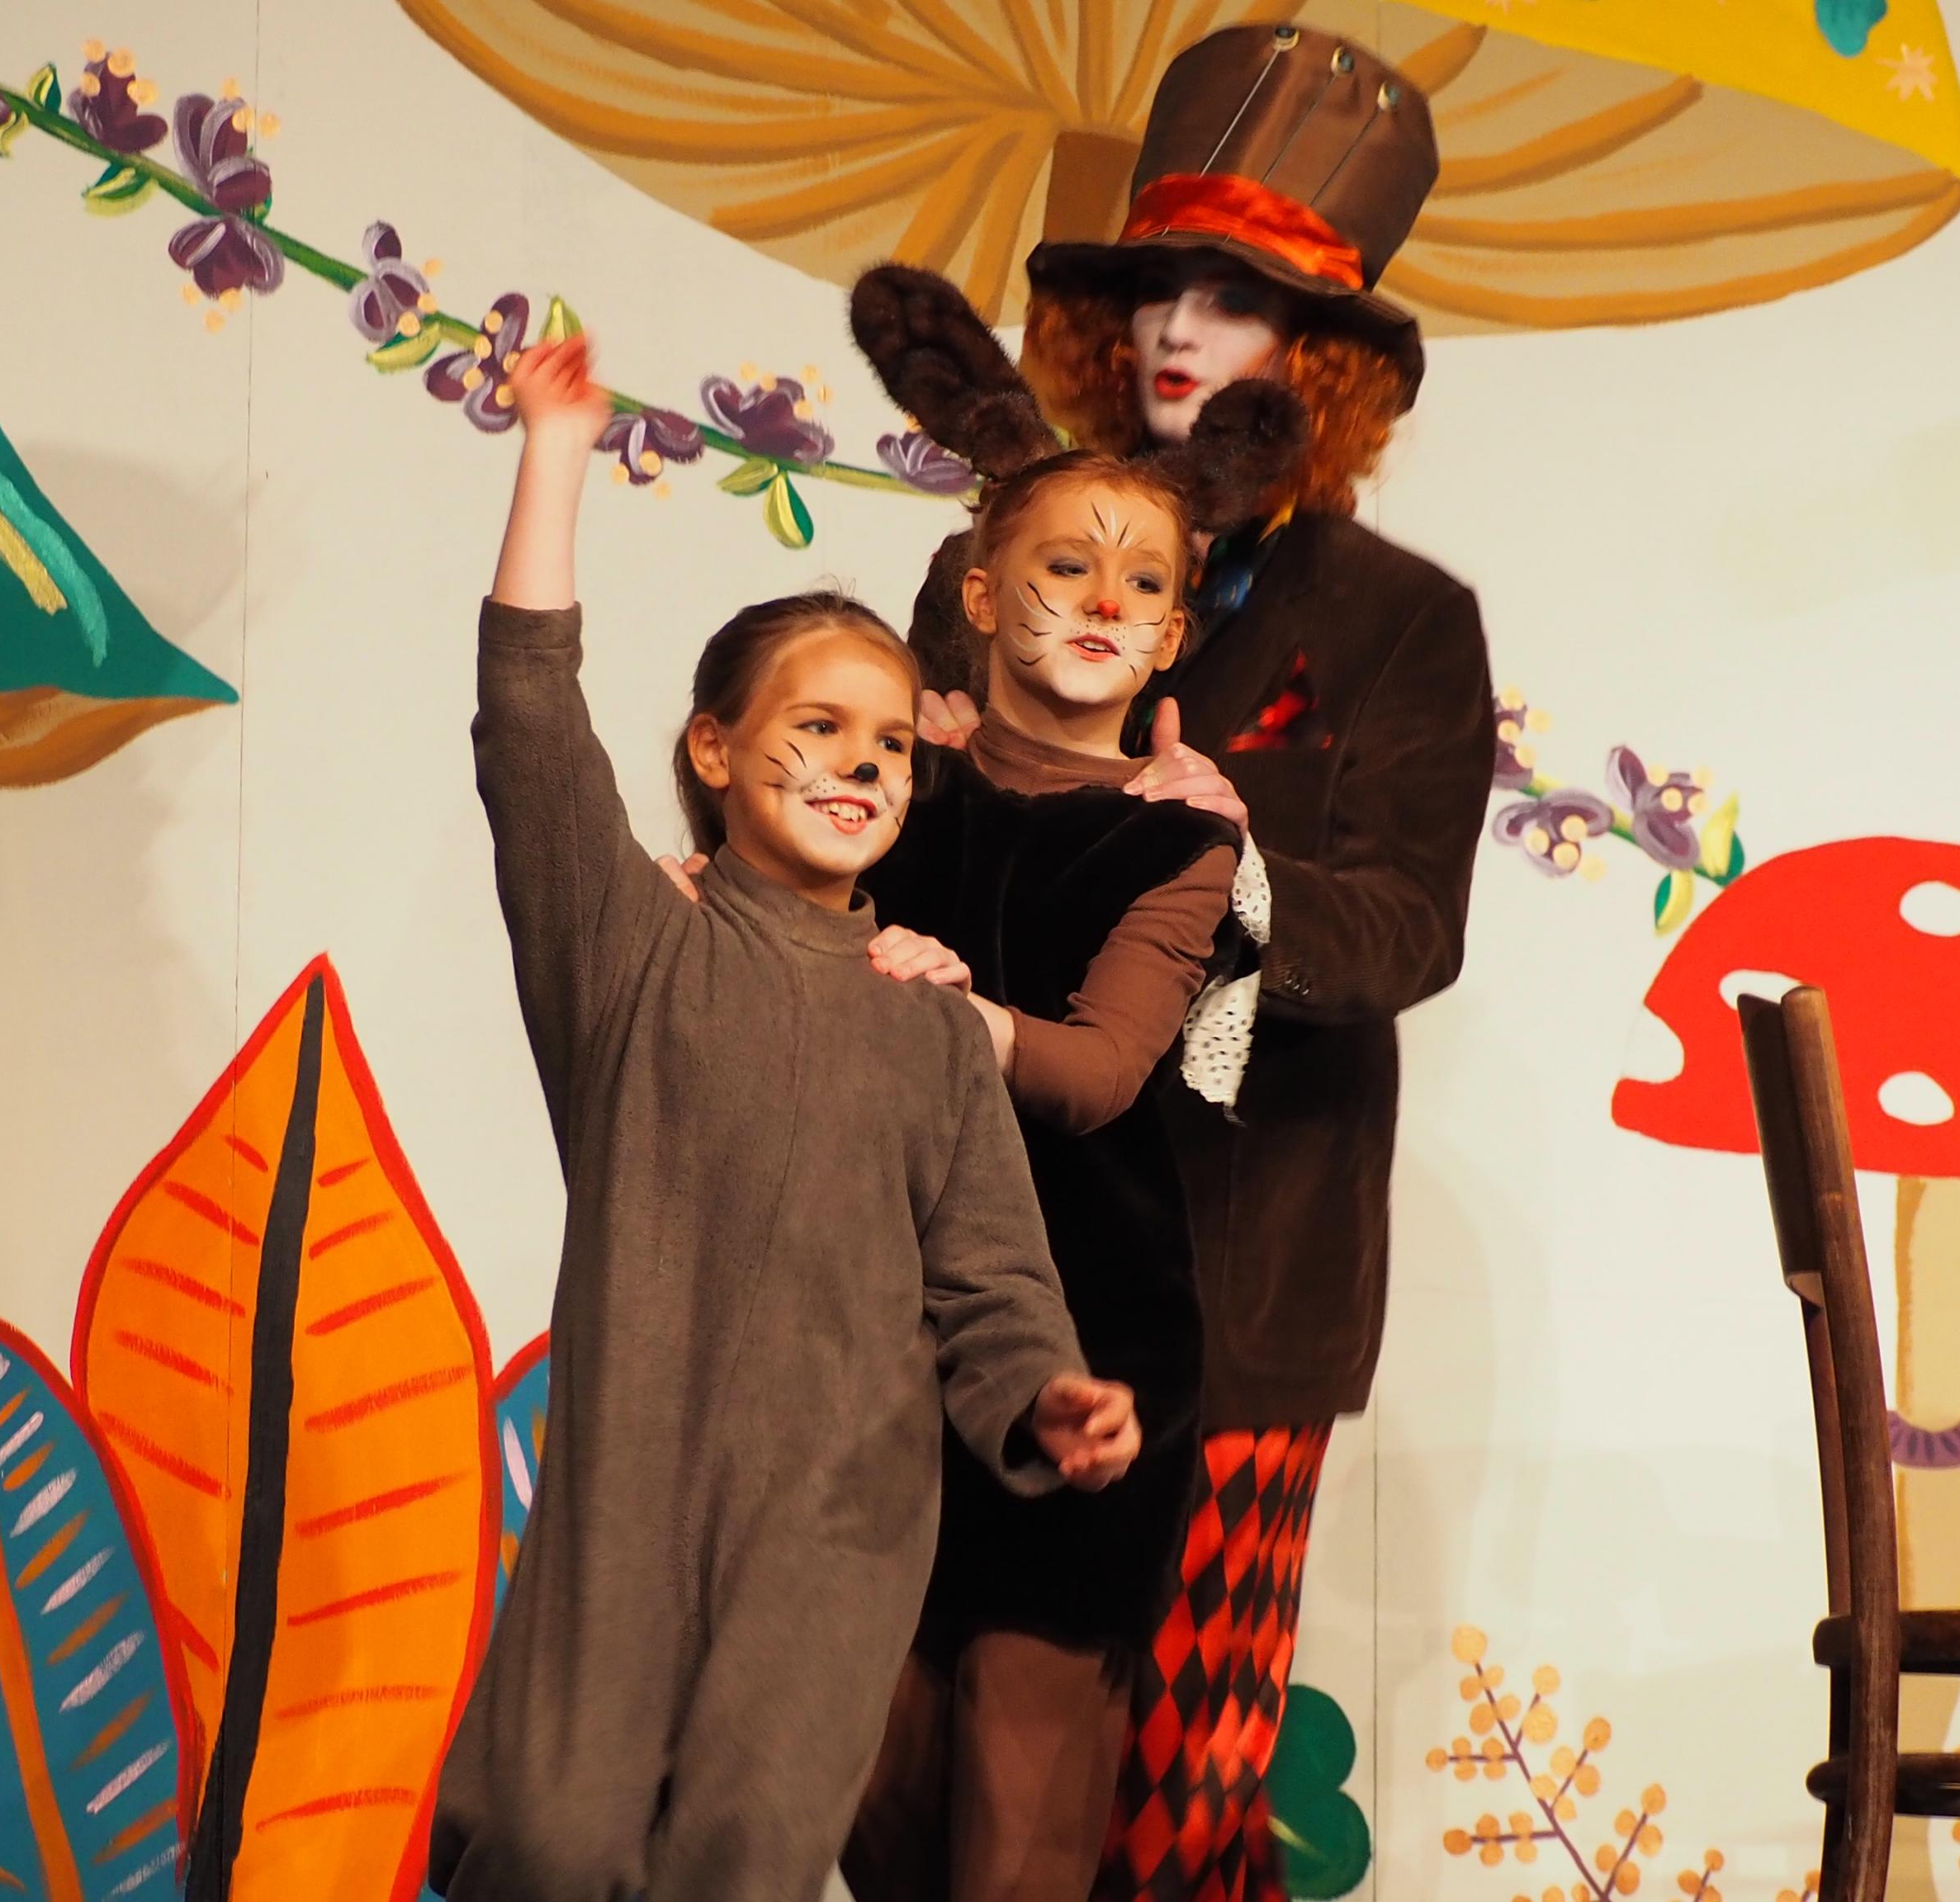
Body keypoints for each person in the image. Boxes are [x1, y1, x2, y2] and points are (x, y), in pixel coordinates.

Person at [428, 331, 1143, 1902]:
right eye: (818, 728)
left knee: (746, 1853)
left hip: (841, 1522)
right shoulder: (635, 948)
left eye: (888, 746)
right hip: (631, 1495)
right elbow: (531, 726)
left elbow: (992, 1281)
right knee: (552, 1842)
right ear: (717, 748)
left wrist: (1049, 1395)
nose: (858, 767)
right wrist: (554, 452)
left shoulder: (927, 1020)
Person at [907, 26, 1501, 1900]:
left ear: (1315, 360)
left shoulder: (1400, 621)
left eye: (1234, 303)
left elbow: (1403, 930)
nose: (1178, 328)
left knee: (1170, 1800)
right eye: (1158, 289)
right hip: (977, 1257)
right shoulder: (994, 573)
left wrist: (1223, 857)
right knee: (929, 1776)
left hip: (1234, 1287)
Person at [834, 266, 1307, 1902]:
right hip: (878, 1346)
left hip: (1093, 1345)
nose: (1102, 599)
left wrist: (955, 1012)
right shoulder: (894, 787)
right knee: (877, 1801)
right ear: (979, 592)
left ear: (1173, 633)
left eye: (1142, 582)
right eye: (1063, 565)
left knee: (1018, 1812)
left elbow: (1105, 1072)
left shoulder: (1178, 836)